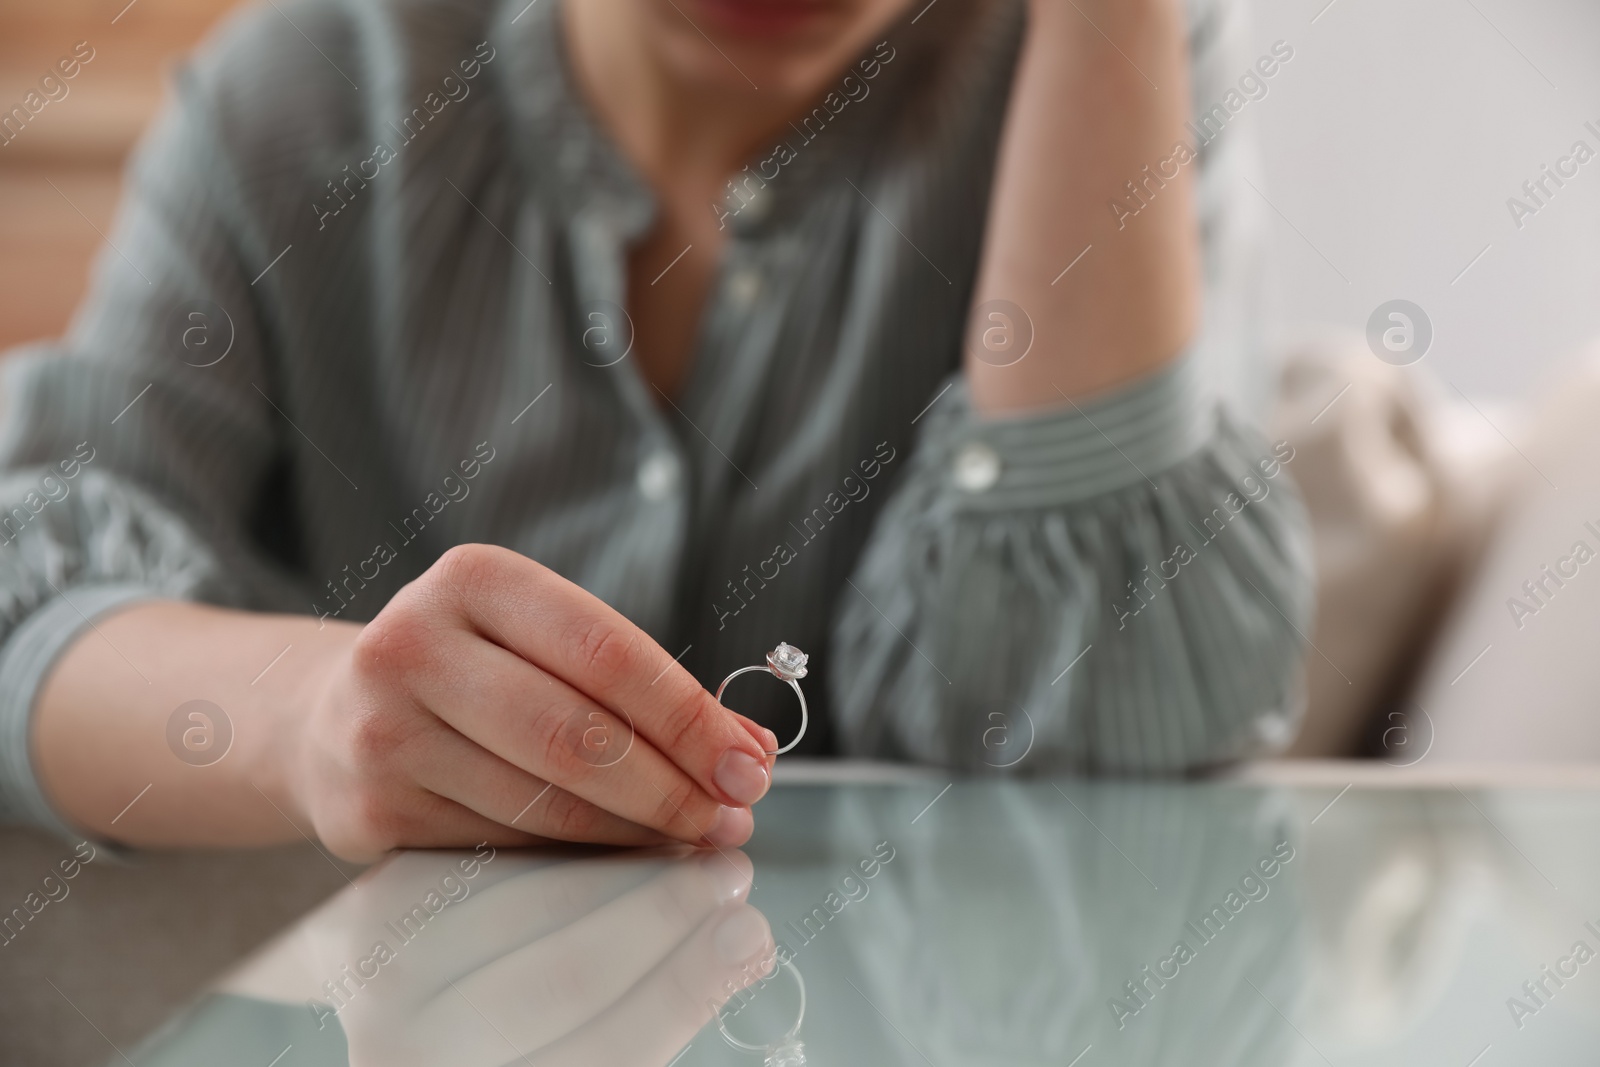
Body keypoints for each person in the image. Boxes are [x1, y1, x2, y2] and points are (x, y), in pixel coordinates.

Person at [0, 0, 1311, 861]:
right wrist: (318, 721)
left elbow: (1090, 728)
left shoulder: (1097, 72)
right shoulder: (312, 91)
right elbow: (35, 595)